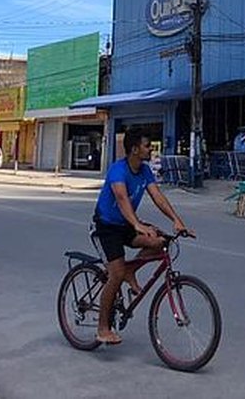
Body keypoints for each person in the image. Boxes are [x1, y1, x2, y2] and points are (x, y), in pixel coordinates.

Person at [93, 128, 193, 345]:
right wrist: (138, 224)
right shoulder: (118, 170)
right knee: (116, 274)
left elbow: (158, 196)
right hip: (106, 227)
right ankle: (102, 328)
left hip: (126, 225)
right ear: (135, 149)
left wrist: (176, 220)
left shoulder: (145, 170)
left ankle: (131, 270)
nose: (151, 149)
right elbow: (121, 199)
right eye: (148, 146)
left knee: (159, 241)